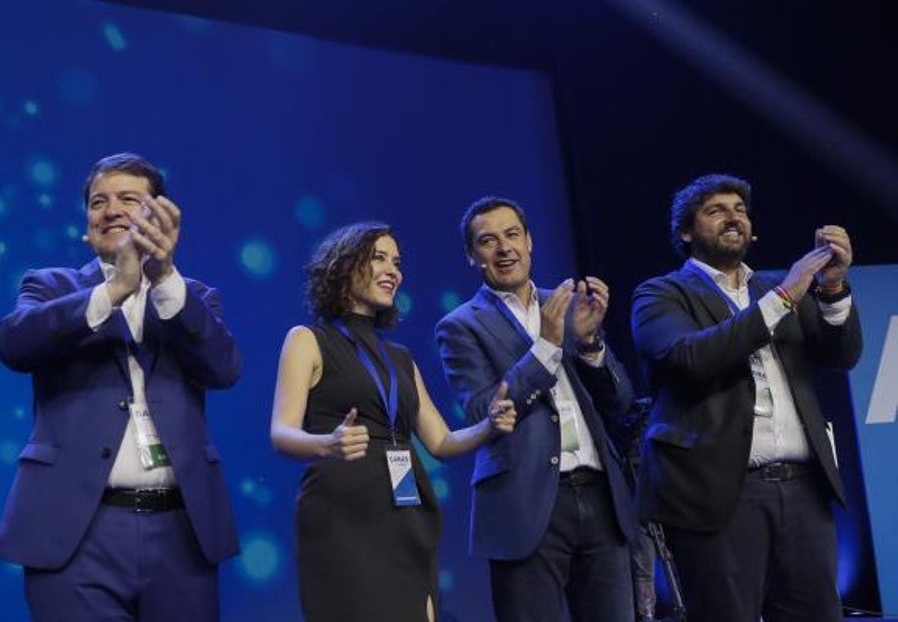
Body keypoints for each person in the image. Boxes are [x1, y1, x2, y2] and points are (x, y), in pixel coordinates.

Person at [0, 152, 242, 621]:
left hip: (181, 531)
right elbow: (14, 344)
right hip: (77, 530)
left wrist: (163, 277)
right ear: (86, 223)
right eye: (98, 202)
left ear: (162, 214)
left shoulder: (194, 297)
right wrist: (114, 290)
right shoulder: (50, 285)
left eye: (129, 199)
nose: (111, 210)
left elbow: (224, 368)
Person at [631, 174, 862, 622]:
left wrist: (832, 289)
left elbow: (841, 354)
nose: (732, 216)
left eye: (739, 209)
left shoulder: (776, 287)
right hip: (719, 496)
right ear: (686, 231)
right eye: (715, 210)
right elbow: (692, 357)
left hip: (802, 491)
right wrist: (785, 296)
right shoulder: (660, 294)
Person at [270, 221, 516, 622]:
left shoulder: (400, 358)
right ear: (343, 265)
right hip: (341, 520)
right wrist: (326, 444)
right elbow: (281, 433)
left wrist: (487, 426)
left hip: (405, 514)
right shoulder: (307, 340)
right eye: (379, 258)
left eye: (397, 262)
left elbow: (440, 442)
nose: (392, 271)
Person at [436, 196, 636, 622]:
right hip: (523, 503)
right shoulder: (460, 325)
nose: (504, 248)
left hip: (600, 495)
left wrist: (590, 344)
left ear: (529, 241)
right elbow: (479, 410)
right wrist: (546, 345)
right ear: (472, 256)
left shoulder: (567, 304)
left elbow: (619, 401)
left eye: (512, 235)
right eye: (488, 241)